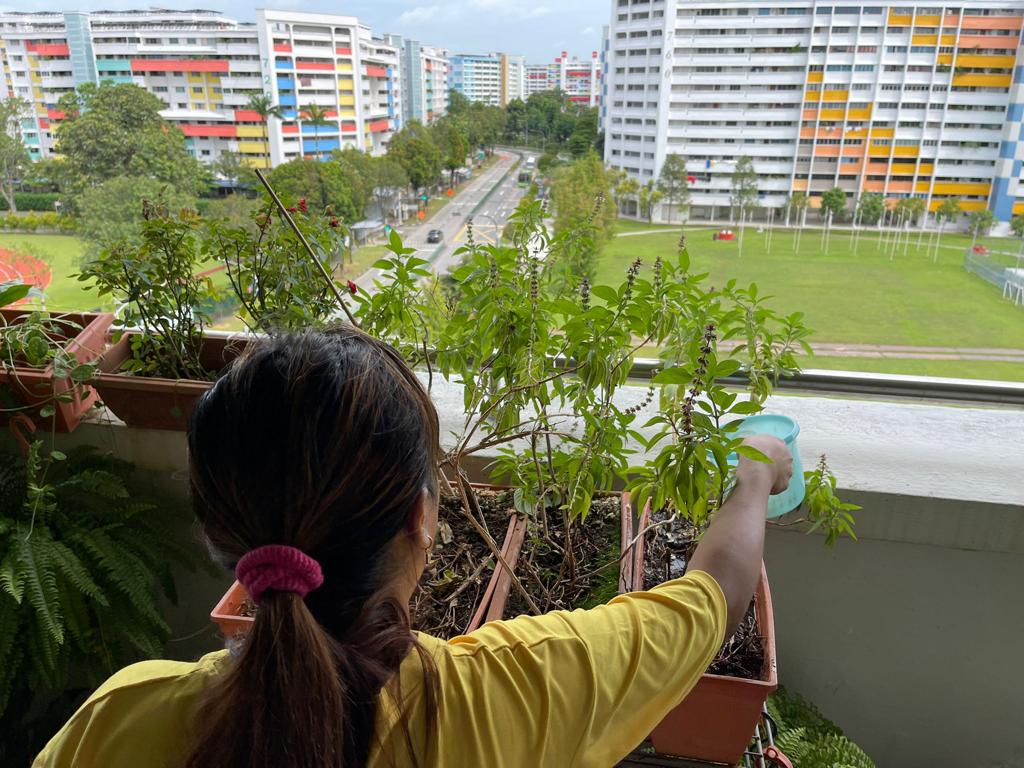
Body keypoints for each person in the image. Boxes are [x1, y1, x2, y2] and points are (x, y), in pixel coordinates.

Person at [34, 329, 792, 768]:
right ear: (423, 519)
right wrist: (753, 474)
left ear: (214, 534)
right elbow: (713, 597)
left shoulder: (113, 725)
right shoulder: (511, 697)